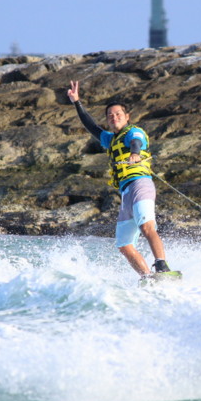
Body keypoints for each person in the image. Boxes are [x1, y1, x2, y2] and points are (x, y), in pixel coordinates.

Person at [67, 80, 172, 279]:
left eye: (118, 114)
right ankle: (147, 277)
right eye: (110, 116)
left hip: (141, 184)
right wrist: (77, 102)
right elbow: (91, 126)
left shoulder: (133, 131)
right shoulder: (110, 139)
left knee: (146, 226)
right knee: (124, 244)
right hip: (125, 193)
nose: (114, 118)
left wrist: (134, 153)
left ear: (127, 117)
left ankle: (162, 266)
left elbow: (136, 142)